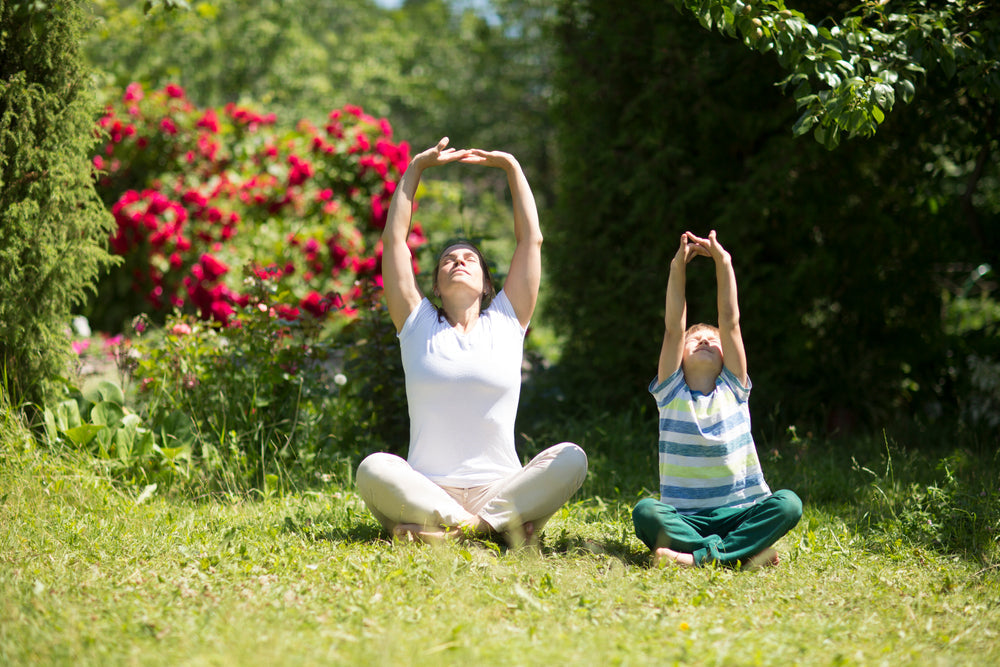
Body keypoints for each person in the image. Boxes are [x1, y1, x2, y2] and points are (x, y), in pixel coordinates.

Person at [356, 137, 588, 546]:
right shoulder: (416, 323)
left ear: (486, 285)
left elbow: (530, 241)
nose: (459, 261)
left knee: (572, 458)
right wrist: (415, 170)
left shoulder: (506, 319)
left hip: (500, 491)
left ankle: (456, 532)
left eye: (469, 259)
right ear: (437, 286)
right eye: (449, 259)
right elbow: (394, 244)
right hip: (428, 489)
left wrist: (513, 168)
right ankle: (493, 532)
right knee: (373, 469)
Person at [631, 231, 802, 569]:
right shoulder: (670, 393)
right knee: (645, 512)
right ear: (679, 353)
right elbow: (673, 328)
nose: (707, 339)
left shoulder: (734, 388)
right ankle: (740, 553)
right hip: (688, 519)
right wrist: (677, 266)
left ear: (727, 354)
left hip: (742, 512)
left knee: (788, 504)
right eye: (697, 338)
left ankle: (697, 559)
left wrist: (724, 263)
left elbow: (731, 322)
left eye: (713, 338)